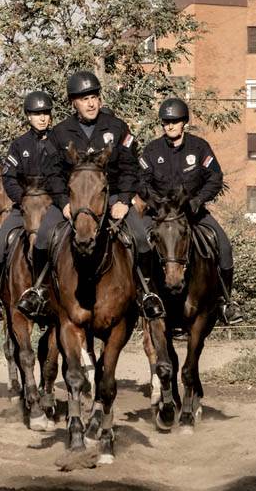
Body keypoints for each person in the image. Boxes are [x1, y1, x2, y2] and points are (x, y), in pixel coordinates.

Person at [16, 70, 164, 319]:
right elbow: (52, 174)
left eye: (94, 97)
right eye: (84, 99)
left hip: (113, 197)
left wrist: (125, 201)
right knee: (42, 238)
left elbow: (130, 168)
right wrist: (63, 203)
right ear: (74, 102)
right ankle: (39, 290)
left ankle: (146, 292)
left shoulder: (117, 127)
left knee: (140, 238)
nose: (91, 103)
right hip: (72, 201)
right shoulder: (60, 133)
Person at [138, 98, 243, 323]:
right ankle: (145, 296)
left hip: (193, 211)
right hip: (159, 215)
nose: (170, 126)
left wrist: (198, 200)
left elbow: (215, 178)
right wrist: (156, 203)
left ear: (184, 122)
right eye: (166, 122)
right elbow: (141, 181)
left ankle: (226, 302)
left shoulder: (199, 147)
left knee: (224, 245)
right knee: (137, 244)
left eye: (175, 121)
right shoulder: (152, 149)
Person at [0, 90, 54, 322]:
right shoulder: (19, 145)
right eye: (37, 114)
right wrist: (21, 199)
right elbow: (9, 178)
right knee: (0, 243)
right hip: (24, 205)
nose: (42, 117)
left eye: (45, 113)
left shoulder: (59, 142)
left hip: (52, 206)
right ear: (28, 117)